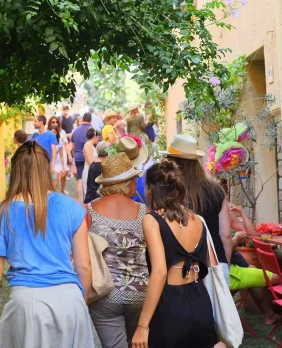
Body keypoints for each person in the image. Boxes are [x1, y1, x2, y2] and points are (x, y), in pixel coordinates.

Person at [0, 141, 94, 347]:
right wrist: (79, 303)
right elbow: (84, 266)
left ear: (16, 171)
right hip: (69, 299)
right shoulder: (72, 208)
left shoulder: (2, 213)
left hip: (26, 304)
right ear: (46, 168)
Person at [132, 159, 217, 348]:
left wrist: (142, 325)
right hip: (200, 301)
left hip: (170, 307)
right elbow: (209, 262)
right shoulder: (198, 220)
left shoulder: (152, 220)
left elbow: (160, 272)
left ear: (151, 189)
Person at [87, 153, 148, 348]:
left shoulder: (88, 211)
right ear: (128, 182)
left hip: (104, 293)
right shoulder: (144, 212)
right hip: (140, 294)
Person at [164, 134, 232, 285]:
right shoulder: (217, 190)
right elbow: (226, 235)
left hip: (180, 269)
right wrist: (224, 264)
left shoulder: (168, 191)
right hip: (216, 264)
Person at [48, 116, 73, 195]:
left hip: (58, 162)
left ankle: (62, 189)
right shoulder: (46, 135)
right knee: (50, 182)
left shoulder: (62, 133)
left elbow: (65, 145)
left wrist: (69, 155)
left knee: (57, 179)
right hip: (48, 163)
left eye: (56, 122)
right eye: (53, 122)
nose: (55, 123)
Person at [71, 112, 92, 204]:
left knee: (80, 180)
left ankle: (79, 202)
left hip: (78, 157)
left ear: (82, 119)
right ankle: (89, 202)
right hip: (90, 157)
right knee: (90, 180)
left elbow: (72, 147)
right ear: (91, 120)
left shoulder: (75, 131)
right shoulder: (92, 130)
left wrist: (73, 156)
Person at [82, 127, 100, 198]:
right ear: (95, 136)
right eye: (98, 136)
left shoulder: (91, 145)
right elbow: (89, 160)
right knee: (88, 190)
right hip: (89, 170)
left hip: (92, 169)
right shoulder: (88, 144)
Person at [48, 124, 66, 189]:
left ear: (57, 133)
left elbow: (61, 156)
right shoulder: (46, 141)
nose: (53, 133)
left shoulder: (59, 142)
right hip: (46, 164)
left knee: (55, 183)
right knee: (47, 184)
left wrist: (63, 168)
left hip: (56, 165)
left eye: (54, 132)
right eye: (51, 132)